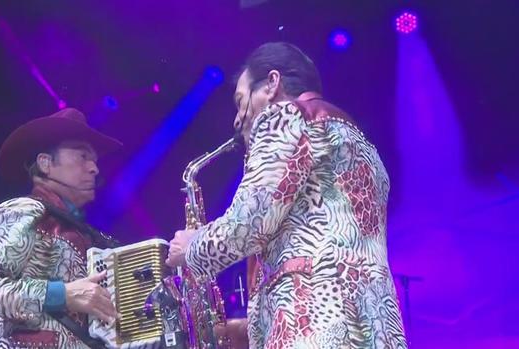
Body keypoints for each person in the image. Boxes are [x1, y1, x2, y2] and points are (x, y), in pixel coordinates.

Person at [166, 42, 407, 348]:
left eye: (241, 102)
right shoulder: (362, 145)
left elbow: (249, 224)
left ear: (271, 84)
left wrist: (192, 247)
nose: (237, 119)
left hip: (315, 325)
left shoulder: (283, 117)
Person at [0, 108, 122, 348]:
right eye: (82, 156)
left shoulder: (90, 236)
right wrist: (63, 295)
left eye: (95, 161)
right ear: (45, 163)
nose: (94, 168)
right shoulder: (24, 209)